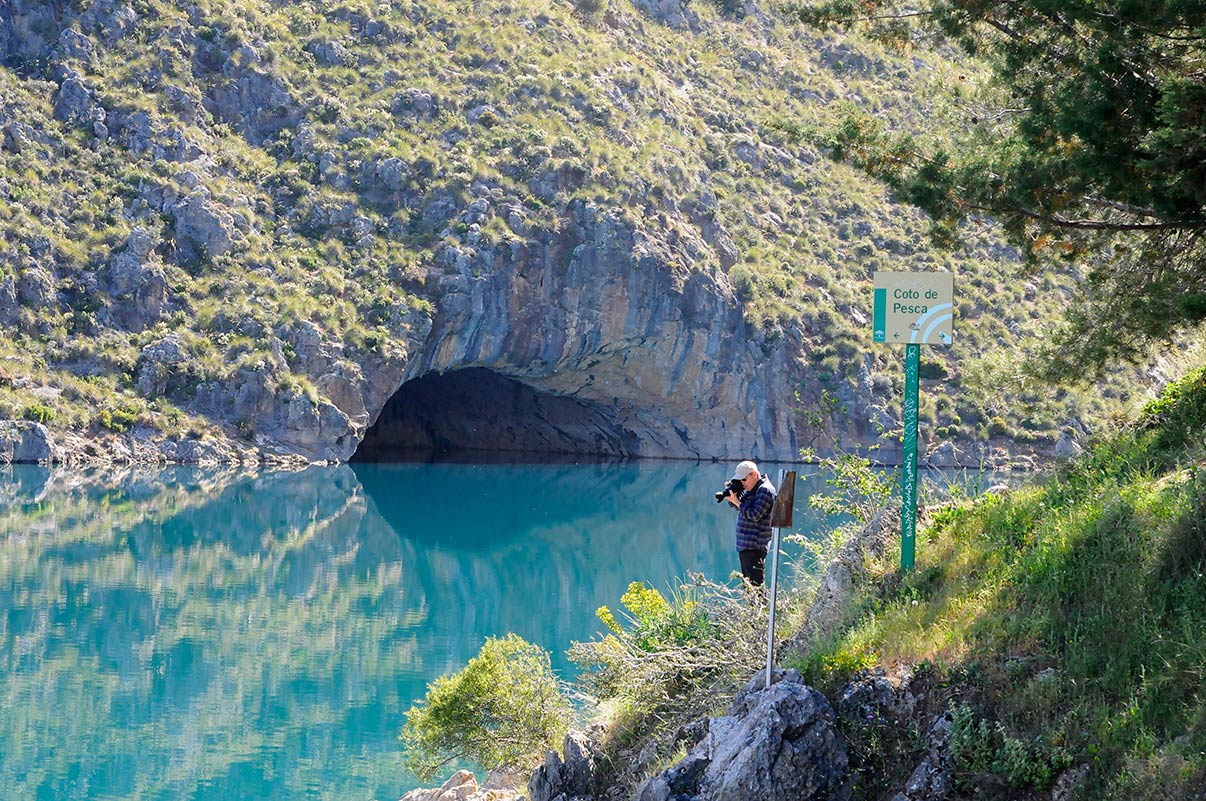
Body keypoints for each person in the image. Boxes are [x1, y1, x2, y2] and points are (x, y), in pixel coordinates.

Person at [723, 460, 776, 587]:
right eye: (740, 480)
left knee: (755, 586)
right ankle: (755, 607)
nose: (742, 483)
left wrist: (737, 502)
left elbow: (754, 515)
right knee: (749, 586)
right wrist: (733, 495)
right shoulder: (754, 489)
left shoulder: (765, 490)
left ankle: (760, 607)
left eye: (744, 479)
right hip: (747, 545)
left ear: (754, 474)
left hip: (755, 546)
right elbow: (742, 507)